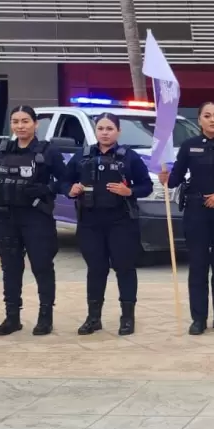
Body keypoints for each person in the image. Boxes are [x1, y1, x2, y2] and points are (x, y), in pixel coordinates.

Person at [160, 102, 214, 335]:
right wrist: (165, 176)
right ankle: (198, 318)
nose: (212, 120)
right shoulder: (189, 147)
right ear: (199, 120)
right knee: (198, 267)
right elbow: (177, 178)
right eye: (207, 116)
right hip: (196, 212)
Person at [62, 113, 153, 336]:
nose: (105, 132)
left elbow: (146, 186)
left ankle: (127, 318)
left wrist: (129, 191)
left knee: (124, 269)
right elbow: (63, 180)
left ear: (118, 132)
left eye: (110, 128)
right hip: (90, 222)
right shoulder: (82, 156)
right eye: (101, 128)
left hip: (121, 221)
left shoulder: (129, 157)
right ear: (95, 131)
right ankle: (93, 318)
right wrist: (70, 189)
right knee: (96, 269)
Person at [0, 105, 66, 336]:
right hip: (5, 218)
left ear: (35, 124)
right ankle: (12, 318)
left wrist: (46, 188)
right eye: (15, 121)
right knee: (10, 268)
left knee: (41, 267)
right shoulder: (3, 150)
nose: (20, 126)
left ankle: (45, 318)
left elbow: (65, 180)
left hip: (35, 217)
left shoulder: (48, 151)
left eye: (25, 121)